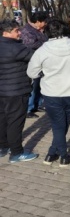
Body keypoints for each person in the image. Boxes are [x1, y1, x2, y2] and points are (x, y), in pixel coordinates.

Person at [27, 18, 70, 167]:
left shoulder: (42, 50)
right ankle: (59, 153)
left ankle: (55, 153)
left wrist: (44, 72)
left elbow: (32, 73)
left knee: (58, 125)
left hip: (52, 93)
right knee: (63, 124)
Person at [0, 19, 38, 163]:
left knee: (2, 120)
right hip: (16, 91)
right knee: (15, 122)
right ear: (6, 32)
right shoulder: (18, 48)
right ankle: (16, 153)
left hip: (2, 91)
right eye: (16, 30)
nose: (20, 32)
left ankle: (3, 147)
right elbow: (36, 58)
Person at [20, 11, 48, 118]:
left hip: (40, 60)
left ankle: (37, 104)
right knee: (32, 84)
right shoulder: (27, 30)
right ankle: (29, 108)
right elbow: (30, 44)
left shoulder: (38, 30)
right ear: (37, 21)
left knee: (38, 84)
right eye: (44, 21)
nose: (45, 23)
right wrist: (46, 44)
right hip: (31, 61)